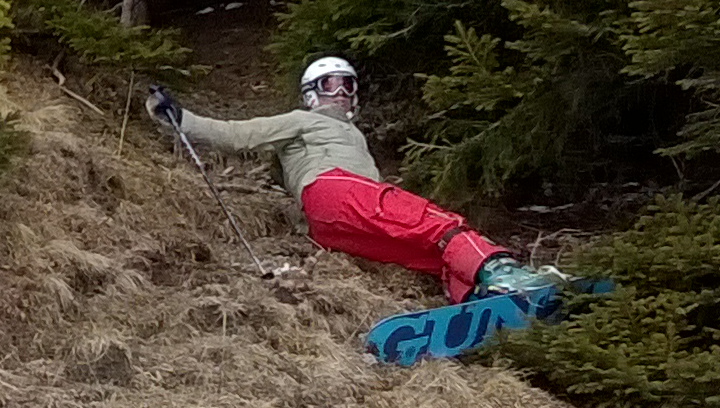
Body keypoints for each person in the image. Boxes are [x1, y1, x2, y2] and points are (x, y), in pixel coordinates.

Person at [146, 57, 563, 302]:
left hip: (331, 228)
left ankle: (478, 299)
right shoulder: (300, 120)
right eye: (330, 84)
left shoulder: (352, 135)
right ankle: (505, 274)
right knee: (439, 224)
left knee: (430, 254)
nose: (341, 92)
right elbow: (239, 135)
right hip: (334, 189)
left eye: (348, 84)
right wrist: (180, 118)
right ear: (311, 92)